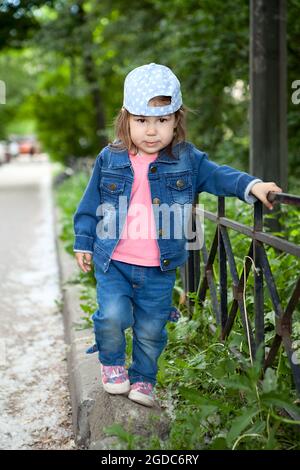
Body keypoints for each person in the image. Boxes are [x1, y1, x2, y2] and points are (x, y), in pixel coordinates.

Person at [73, 63, 282, 407]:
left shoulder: (187, 160)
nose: (151, 131)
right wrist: (83, 241)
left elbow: (220, 176)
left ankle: (143, 378)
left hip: (159, 267)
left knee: (151, 329)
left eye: (162, 120)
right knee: (113, 316)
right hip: (114, 262)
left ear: (176, 120)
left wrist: (252, 185)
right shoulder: (110, 158)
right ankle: (111, 363)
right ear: (126, 118)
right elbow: (90, 202)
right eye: (142, 120)